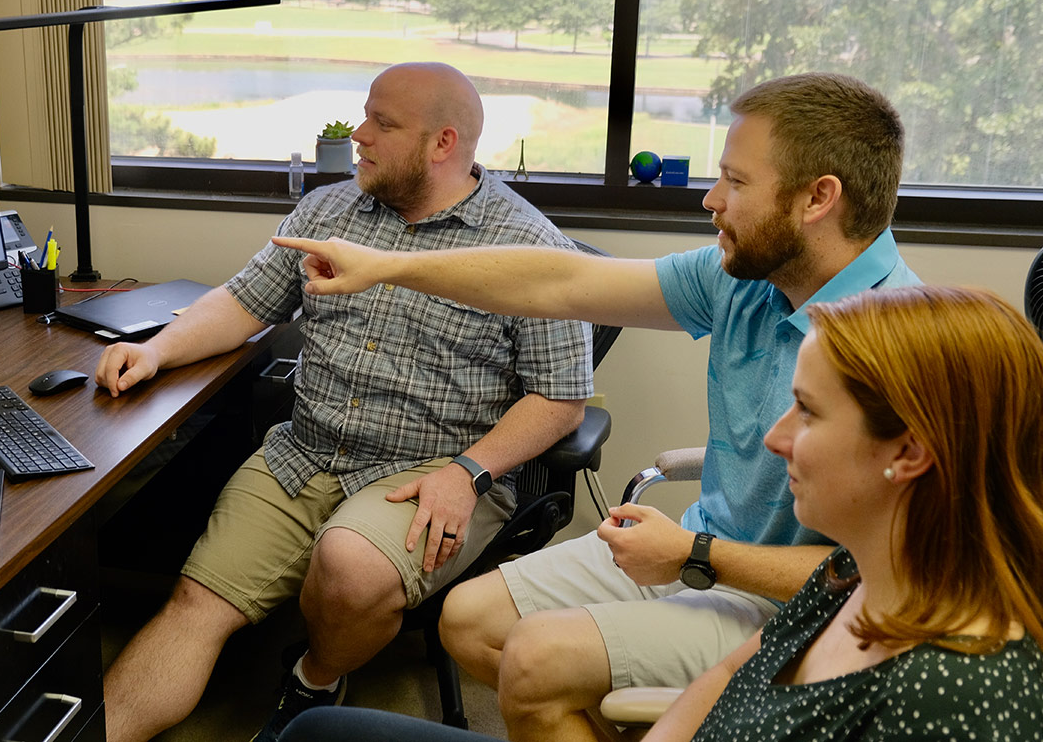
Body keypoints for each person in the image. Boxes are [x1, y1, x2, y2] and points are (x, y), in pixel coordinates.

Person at [273, 72, 921, 740]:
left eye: (735, 181)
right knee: (468, 622)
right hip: (702, 552)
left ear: (819, 198)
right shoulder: (748, 280)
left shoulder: (898, 347)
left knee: (534, 661)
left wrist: (697, 553)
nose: (711, 199)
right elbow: (560, 280)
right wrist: (388, 266)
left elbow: (887, 579)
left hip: (796, 608)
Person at [279, 285, 1043, 742]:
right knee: (320, 733)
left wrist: (694, 555)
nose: (775, 437)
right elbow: (727, 673)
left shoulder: (958, 700)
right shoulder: (857, 574)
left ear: (907, 453)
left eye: (805, 413)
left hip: (712, 566)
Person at [96, 62, 594, 742]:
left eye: (382, 124)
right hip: (304, 454)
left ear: (443, 144)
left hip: (432, 471)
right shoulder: (329, 211)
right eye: (365, 116)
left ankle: (314, 679)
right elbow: (244, 302)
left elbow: (562, 399)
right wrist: (157, 350)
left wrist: (466, 474)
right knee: (194, 603)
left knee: (349, 565)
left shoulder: (529, 246)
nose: (359, 134)